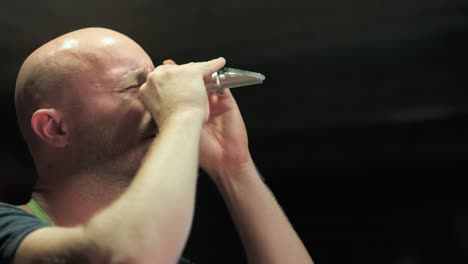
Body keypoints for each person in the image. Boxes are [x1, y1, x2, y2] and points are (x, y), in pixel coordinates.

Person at [0, 27, 313, 263]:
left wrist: (234, 166)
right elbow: (126, 255)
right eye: (136, 85)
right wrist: (183, 113)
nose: (159, 99)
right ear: (54, 128)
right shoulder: (8, 229)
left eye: (158, 84)